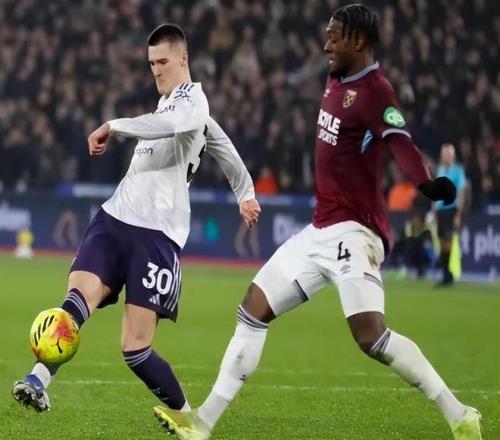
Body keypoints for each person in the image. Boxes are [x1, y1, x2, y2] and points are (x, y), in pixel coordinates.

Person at [154, 6, 482, 440]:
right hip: (319, 229)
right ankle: (202, 423)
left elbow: (399, 142)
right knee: (253, 308)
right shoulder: (336, 79)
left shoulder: (376, 91)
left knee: (370, 336)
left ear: (359, 41)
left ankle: (460, 415)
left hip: (355, 230)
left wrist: (424, 182)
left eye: (335, 37)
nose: (326, 45)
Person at [12, 23, 261, 414]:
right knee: (77, 298)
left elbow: (176, 127)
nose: (156, 70)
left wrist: (114, 125)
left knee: (135, 349)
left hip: (156, 235)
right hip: (116, 216)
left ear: (184, 59)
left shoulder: (192, 102)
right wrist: (245, 192)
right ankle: (38, 379)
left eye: (163, 62)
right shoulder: (171, 104)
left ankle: (189, 420)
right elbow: (222, 145)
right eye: (151, 63)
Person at [434, 143, 467, 286]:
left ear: (452, 155)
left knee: (448, 240)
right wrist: (434, 209)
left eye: (448, 154)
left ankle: (448, 274)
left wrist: (458, 213)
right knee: (442, 242)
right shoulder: (440, 170)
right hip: (440, 210)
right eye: (444, 154)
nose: (446, 156)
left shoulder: (458, 170)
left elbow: (461, 191)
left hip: (451, 208)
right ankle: (445, 273)